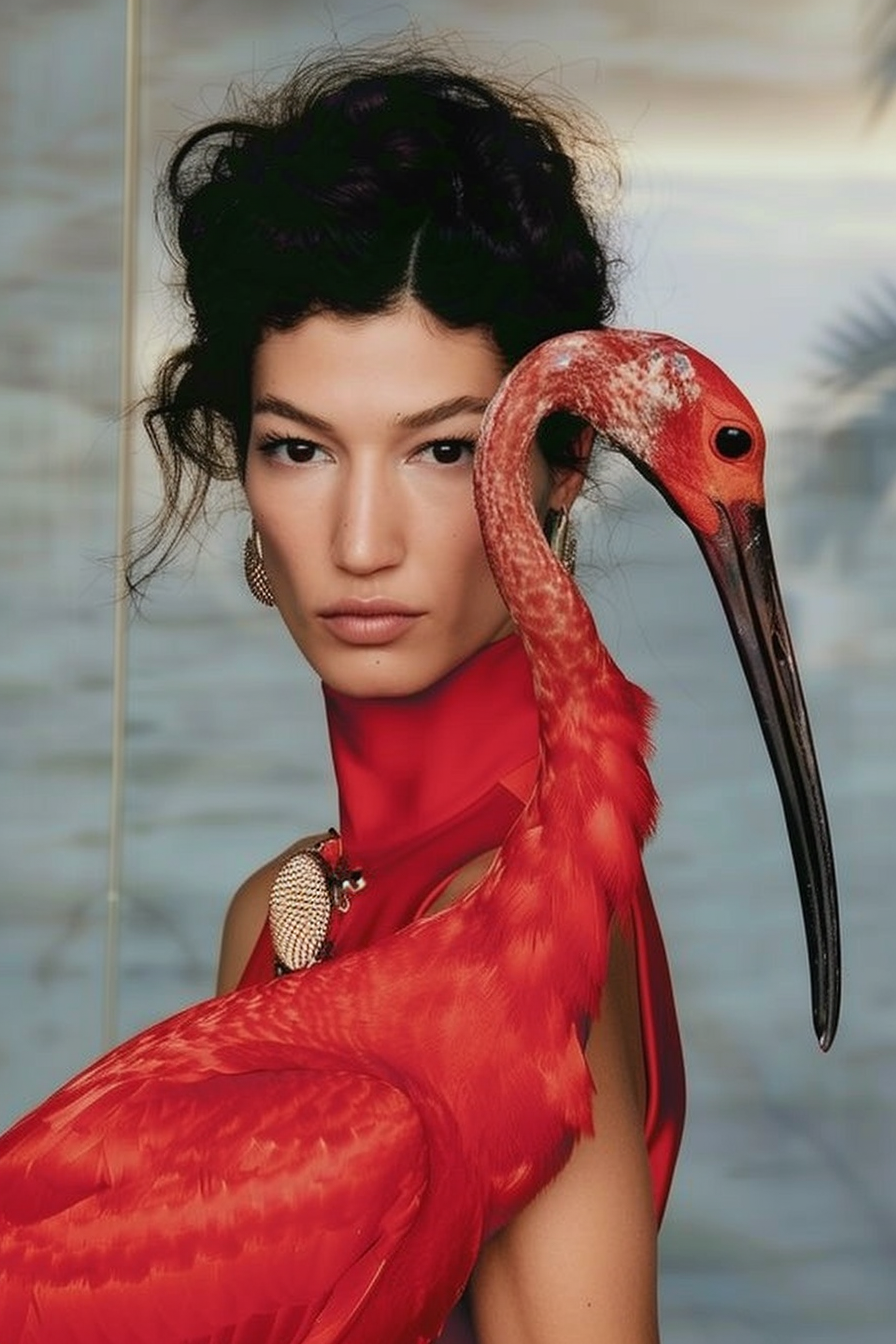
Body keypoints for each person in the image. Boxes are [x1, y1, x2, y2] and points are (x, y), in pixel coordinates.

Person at [136, 41, 685, 1343]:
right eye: (300, 447)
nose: (364, 535)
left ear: (558, 473)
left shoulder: (517, 930)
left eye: (445, 449)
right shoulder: (280, 910)